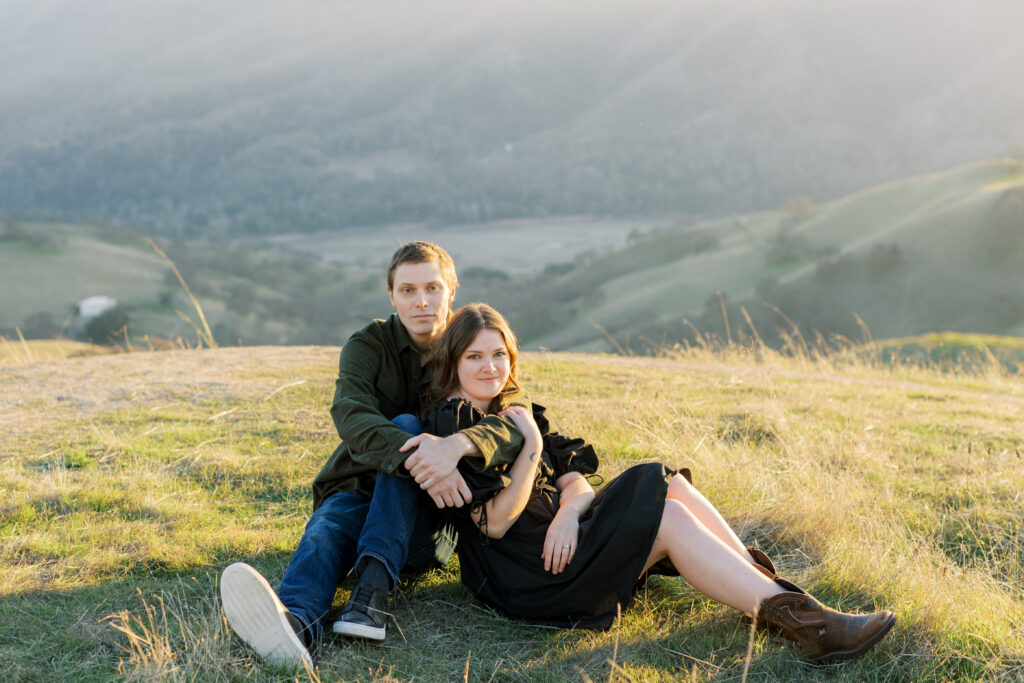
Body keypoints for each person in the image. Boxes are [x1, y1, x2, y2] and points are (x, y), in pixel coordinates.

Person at [420, 302, 897, 664]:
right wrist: (530, 451)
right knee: (666, 516)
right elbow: (498, 524)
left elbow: (576, 484)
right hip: (529, 574)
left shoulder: (512, 410)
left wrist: (568, 514)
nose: (490, 367)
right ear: (454, 363)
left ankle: (772, 594)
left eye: (499, 354)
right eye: (475, 357)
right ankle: (807, 628)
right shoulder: (452, 425)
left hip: (562, 539)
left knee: (661, 479)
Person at [219, 243, 529, 669]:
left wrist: (454, 446)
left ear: (451, 290)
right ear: (391, 295)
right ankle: (294, 627)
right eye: (408, 290)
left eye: (432, 288)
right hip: (359, 487)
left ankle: (370, 594)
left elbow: (513, 418)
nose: (421, 301)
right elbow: (349, 412)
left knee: (404, 426)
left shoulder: (471, 342)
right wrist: (421, 458)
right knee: (329, 526)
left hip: (428, 519)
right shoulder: (368, 345)